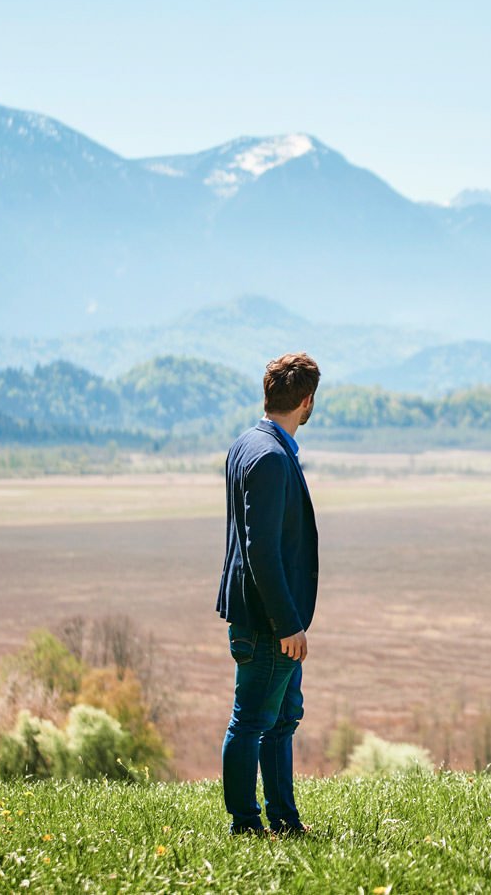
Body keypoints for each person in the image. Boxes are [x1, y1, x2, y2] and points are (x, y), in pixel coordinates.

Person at [217, 352, 321, 836]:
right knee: (253, 722)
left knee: (279, 723)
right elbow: (261, 551)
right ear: (306, 402)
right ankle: (245, 823)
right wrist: (288, 624)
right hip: (268, 623)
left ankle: (284, 820)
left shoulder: (245, 445)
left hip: (262, 617)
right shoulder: (273, 457)